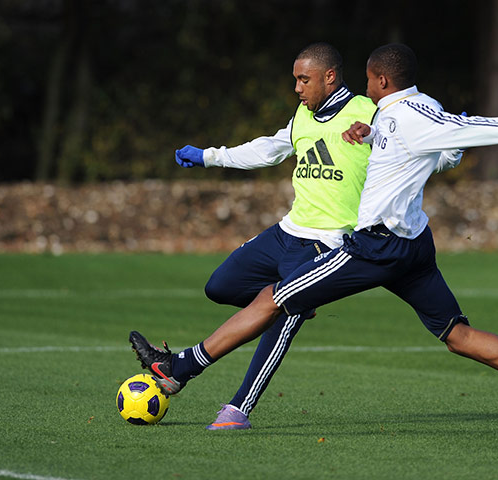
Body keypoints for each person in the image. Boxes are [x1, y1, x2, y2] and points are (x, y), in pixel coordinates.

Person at [131, 43, 498, 444]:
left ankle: (178, 370)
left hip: (374, 247)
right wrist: (370, 134)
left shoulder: (405, 115)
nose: (365, 89)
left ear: (380, 79)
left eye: (369, 81)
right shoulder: (405, 110)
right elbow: (413, 140)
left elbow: (467, 129)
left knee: (274, 299)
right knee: (457, 336)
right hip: (414, 248)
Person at [168, 42, 463, 430]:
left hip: (330, 241)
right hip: (287, 231)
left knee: (281, 308)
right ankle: (292, 303)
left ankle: (238, 409)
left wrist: (452, 146)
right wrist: (210, 156)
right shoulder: (302, 116)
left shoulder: (370, 111)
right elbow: (270, 150)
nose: (297, 88)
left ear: (330, 76)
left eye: (303, 79)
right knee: (220, 286)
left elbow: (429, 153)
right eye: (295, 80)